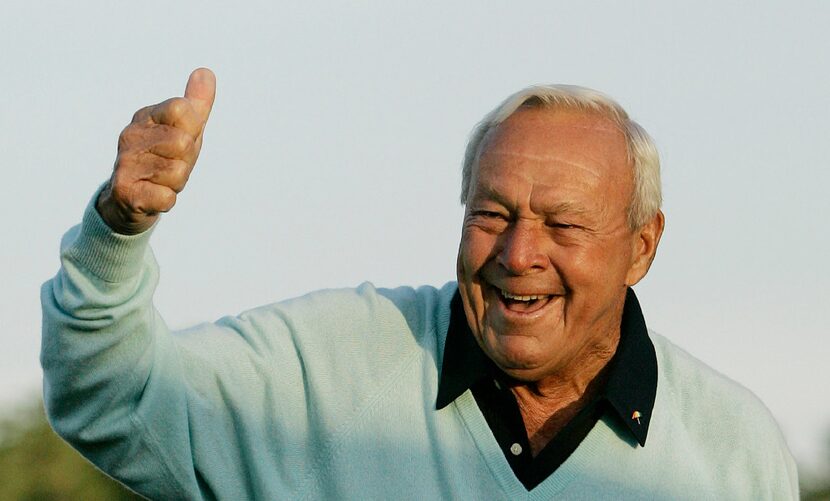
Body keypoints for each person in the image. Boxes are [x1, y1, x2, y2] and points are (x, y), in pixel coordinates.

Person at [41, 68, 798, 499]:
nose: (518, 252)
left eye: (562, 225)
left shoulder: (734, 452)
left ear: (642, 247)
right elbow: (111, 394)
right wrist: (117, 232)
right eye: (492, 213)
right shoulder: (326, 373)